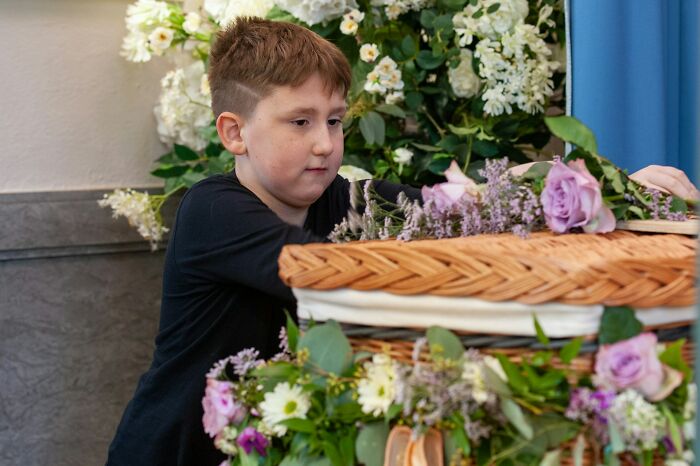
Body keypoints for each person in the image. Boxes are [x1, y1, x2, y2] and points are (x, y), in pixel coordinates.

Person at [106, 16, 698, 466]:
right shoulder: (212, 210)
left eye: (334, 120)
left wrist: (589, 184)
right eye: (300, 121)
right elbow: (321, 271)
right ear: (234, 133)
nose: (324, 143)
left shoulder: (339, 197)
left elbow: (450, 207)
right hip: (173, 450)